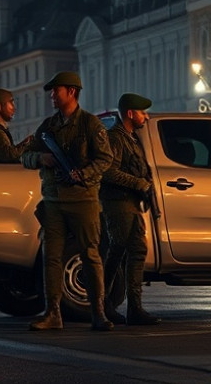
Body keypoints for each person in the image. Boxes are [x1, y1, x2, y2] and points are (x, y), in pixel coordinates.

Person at [23, 71, 115, 331]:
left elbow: (105, 159)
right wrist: (42, 159)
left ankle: (98, 312)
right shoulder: (49, 127)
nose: (52, 95)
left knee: (90, 255)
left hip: (83, 200)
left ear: (72, 92)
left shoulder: (90, 125)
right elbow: (26, 156)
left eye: (57, 90)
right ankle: (53, 313)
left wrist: (82, 174)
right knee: (51, 257)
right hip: (53, 201)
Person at [100, 93, 160, 325]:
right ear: (130, 113)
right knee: (117, 251)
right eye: (142, 112)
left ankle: (135, 308)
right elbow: (108, 171)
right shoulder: (115, 137)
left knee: (136, 252)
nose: (146, 116)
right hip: (118, 203)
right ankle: (103, 303)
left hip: (132, 204)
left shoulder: (132, 137)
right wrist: (139, 184)